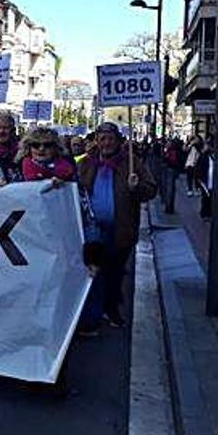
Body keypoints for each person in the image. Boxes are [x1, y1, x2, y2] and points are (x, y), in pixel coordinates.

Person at [78, 122, 157, 329]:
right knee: (96, 270)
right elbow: (74, 187)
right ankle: (94, 312)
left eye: (110, 138)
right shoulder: (86, 163)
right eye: (102, 138)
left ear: (118, 140)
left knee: (115, 270)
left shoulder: (131, 163)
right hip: (93, 228)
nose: (106, 143)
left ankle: (111, 307)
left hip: (121, 227)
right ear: (96, 141)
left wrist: (136, 186)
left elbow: (150, 190)